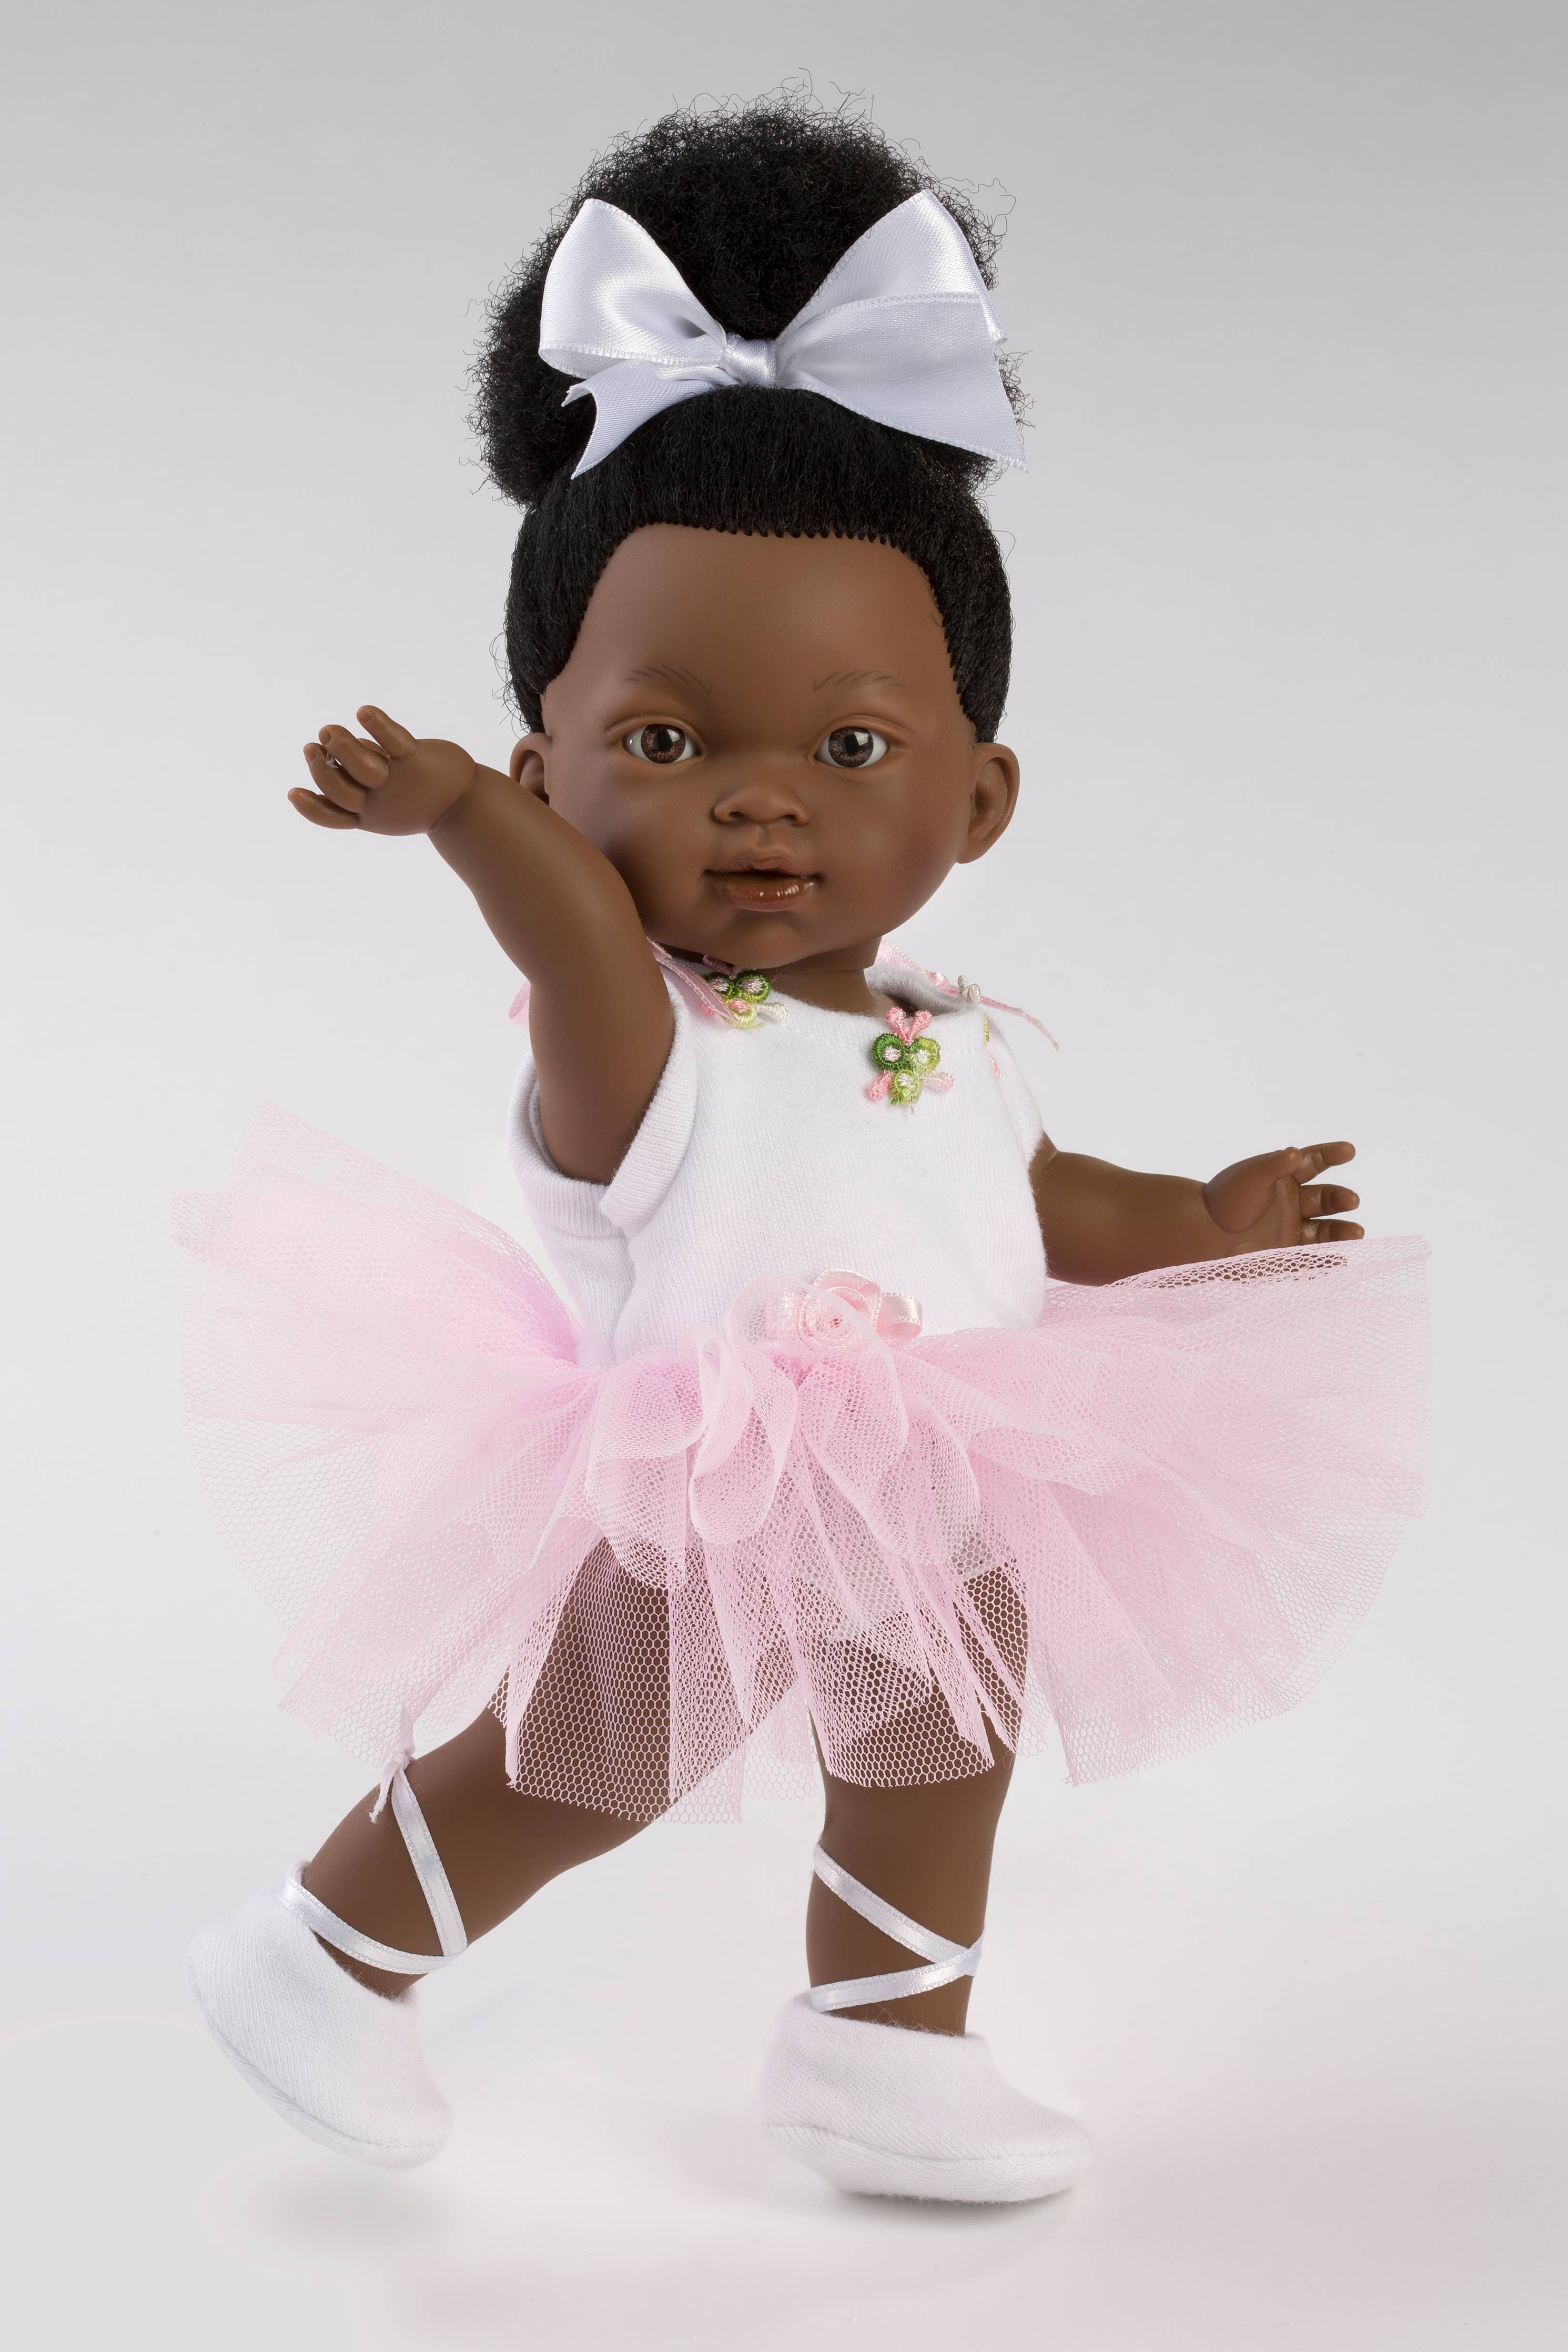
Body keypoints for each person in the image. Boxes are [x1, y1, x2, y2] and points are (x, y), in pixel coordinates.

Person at [180, 96, 1427, 2203]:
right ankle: (320, 1947)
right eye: (662, 746)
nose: (760, 807)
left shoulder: (947, 1038)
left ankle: (884, 2041)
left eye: (848, 749)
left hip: (941, 1461)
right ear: (549, 765)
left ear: (979, 794)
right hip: (715, 1478)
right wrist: (464, 831)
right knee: (590, 1757)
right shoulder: (634, 1040)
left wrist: (1200, 1221)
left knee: (944, 1743)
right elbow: (572, 922)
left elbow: (1018, 1206)